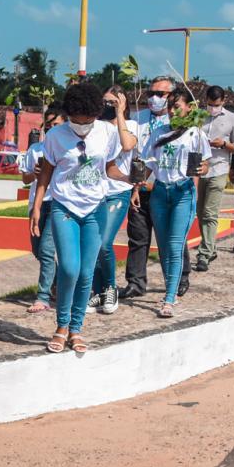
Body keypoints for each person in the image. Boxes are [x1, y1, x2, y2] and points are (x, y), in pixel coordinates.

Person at [28, 81, 135, 353]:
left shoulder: (106, 133)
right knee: (69, 269)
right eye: (77, 122)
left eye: (87, 122)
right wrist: (37, 207)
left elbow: (109, 168)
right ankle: (61, 326)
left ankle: (75, 329)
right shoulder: (56, 137)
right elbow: (46, 174)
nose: (82, 127)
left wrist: (130, 179)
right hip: (64, 208)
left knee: (87, 271)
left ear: (96, 114)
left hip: (94, 209)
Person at [140, 83, 211, 318]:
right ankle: (170, 287)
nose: (171, 111)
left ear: (189, 108)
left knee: (174, 244)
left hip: (183, 192)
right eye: (169, 107)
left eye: (176, 106)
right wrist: (134, 187)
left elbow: (199, 168)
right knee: (162, 247)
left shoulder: (196, 135)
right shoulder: (159, 133)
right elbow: (148, 164)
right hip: (160, 193)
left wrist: (194, 195)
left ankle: (170, 297)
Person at [122, 77, 191, 301]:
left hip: (169, 188)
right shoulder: (137, 119)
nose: (155, 98)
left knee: (172, 237)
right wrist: (136, 184)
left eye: (161, 94)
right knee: (138, 237)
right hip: (141, 186)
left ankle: (180, 277)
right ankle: (135, 282)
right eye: (151, 92)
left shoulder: (185, 128)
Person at [89, 88, 140, 316]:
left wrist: (119, 113)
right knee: (93, 245)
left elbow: (128, 145)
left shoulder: (133, 125)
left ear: (123, 102)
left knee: (104, 243)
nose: (108, 105)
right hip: (95, 192)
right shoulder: (96, 127)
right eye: (105, 101)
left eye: (112, 101)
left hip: (118, 191)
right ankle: (98, 292)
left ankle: (110, 289)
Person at [194, 85, 234, 272]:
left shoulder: (232, 119)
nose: (212, 108)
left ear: (223, 101)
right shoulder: (198, 117)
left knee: (209, 212)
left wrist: (224, 144)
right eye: (209, 104)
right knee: (199, 212)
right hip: (199, 169)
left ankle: (204, 254)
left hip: (219, 169)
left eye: (215, 104)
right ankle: (211, 247)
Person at [19, 111, 62, 316]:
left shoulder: (66, 148)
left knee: (46, 249)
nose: (52, 127)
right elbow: (25, 179)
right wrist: (35, 174)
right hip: (36, 204)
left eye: (57, 124)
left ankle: (43, 296)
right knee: (37, 250)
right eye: (49, 124)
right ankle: (59, 282)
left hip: (57, 203)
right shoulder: (36, 149)